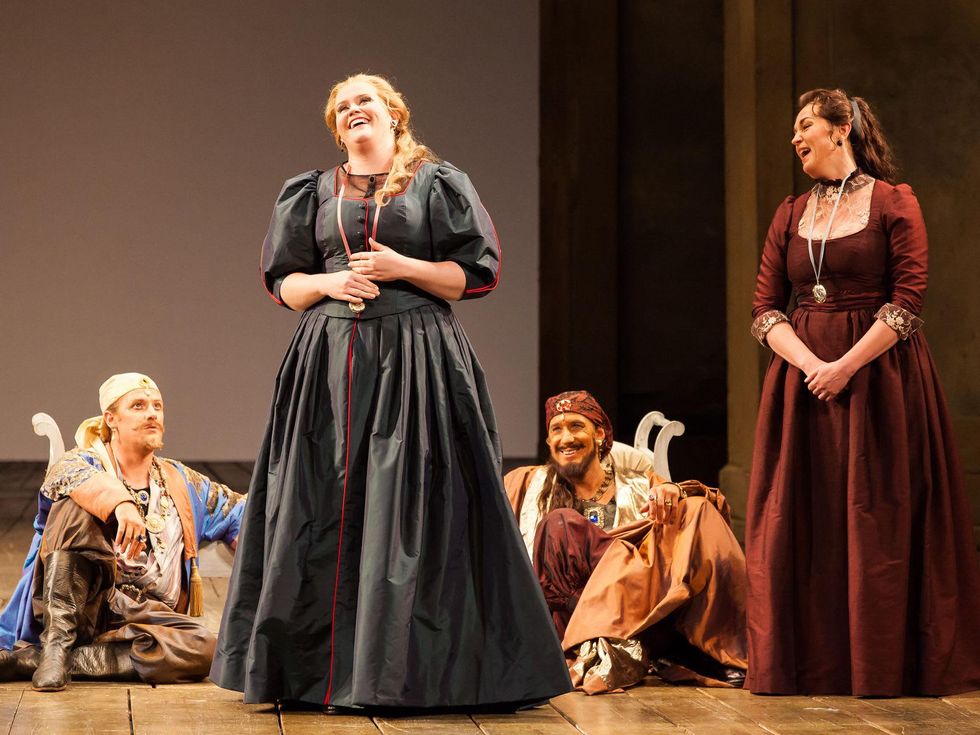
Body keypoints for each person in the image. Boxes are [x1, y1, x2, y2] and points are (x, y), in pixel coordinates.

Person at [210, 73, 570, 710]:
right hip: (327, 364)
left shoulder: (438, 182)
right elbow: (285, 284)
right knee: (320, 503)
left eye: (364, 102)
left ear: (394, 116)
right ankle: (311, 674)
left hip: (416, 359)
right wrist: (328, 283)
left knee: (413, 505)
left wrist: (402, 267)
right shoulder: (310, 192)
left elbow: (471, 277)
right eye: (342, 107)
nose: (353, 112)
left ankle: (411, 672)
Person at [746, 88, 980, 696]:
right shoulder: (788, 212)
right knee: (802, 515)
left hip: (879, 382)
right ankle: (808, 663)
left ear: (841, 127)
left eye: (805, 126)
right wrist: (809, 365)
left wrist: (845, 365)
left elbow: (908, 301)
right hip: (802, 385)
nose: (795, 138)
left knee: (875, 516)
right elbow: (765, 307)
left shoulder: (894, 203)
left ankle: (881, 664)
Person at [0, 372, 245, 691]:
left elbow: (237, 508)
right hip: (89, 604)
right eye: (139, 406)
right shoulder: (81, 463)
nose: (152, 413)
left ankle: (36, 660)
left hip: (147, 615)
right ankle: (57, 645)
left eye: (157, 406)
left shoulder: (180, 480)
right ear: (111, 419)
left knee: (206, 648)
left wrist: (248, 534)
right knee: (73, 504)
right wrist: (121, 503)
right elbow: (63, 476)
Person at [504, 390, 748, 694]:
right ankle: (635, 643)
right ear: (549, 442)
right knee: (560, 523)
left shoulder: (638, 485)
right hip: (571, 620)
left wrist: (675, 492)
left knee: (695, 509)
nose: (566, 438)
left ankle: (710, 645)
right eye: (557, 429)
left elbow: (698, 512)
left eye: (576, 426)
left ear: (599, 434)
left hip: (635, 606)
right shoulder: (527, 484)